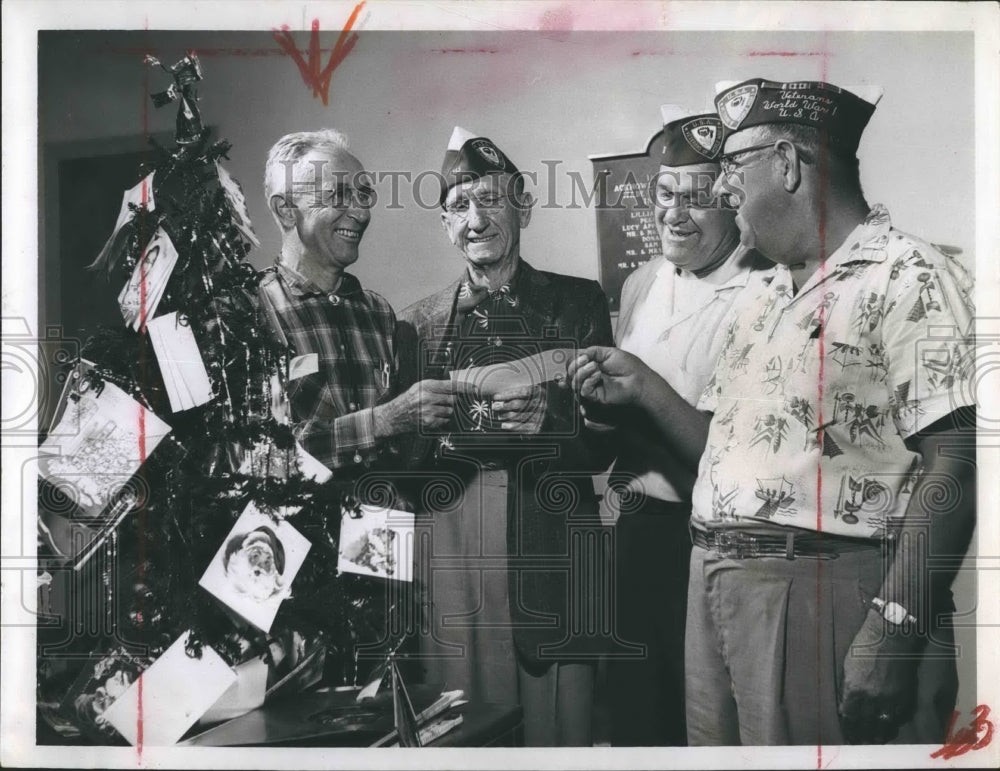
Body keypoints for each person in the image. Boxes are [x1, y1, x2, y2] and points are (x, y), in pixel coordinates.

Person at [569, 79, 976, 746]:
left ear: (787, 163)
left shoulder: (910, 275)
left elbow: (956, 463)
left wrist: (895, 624)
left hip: (820, 585)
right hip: (714, 583)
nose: (725, 189)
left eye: (733, 166)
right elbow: (719, 451)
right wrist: (641, 392)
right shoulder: (762, 289)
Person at [397, 127, 614, 746]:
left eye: (492, 200)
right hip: (452, 535)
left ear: (524, 207)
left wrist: (551, 419)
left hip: (550, 522)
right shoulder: (416, 324)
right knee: (463, 717)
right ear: (445, 225)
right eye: (459, 206)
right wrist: (425, 428)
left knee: (558, 723)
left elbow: (607, 445)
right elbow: (404, 467)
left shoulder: (577, 303)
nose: (476, 220)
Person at [602, 106, 770, 746]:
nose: (674, 214)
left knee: (707, 724)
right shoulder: (642, 282)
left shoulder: (763, 291)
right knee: (636, 715)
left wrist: (643, 388)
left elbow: (738, 460)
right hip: (637, 527)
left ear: (733, 202)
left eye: (697, 198)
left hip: (712, 538)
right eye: (665, 194)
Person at [258, 129, 456, 475]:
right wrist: (382, 421)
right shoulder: (252, 308)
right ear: (287, 210)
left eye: (363, 195)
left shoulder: (378, 313)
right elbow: (258, 454)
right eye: (338, 195)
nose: (362, 213)